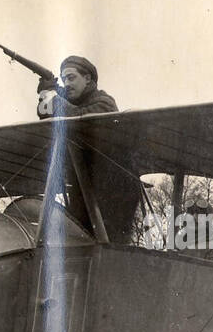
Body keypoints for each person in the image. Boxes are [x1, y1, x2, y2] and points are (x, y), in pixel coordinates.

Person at [34, 56, 139, 242]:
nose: (66, 83)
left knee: (110, 247)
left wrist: (53, 97)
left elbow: (78, 120)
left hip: (115, 190)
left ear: (88, 79)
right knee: (81, 242)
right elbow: (46, 116)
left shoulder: (105, 103)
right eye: (63, 79)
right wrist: (46, 95)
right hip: (84, 186)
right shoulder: (72, 103)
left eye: (71, 77)